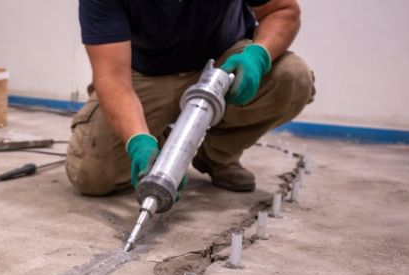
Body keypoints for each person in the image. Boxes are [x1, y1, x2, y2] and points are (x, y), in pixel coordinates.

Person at [67, 0, 315, 195]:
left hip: (221, 63)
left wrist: (257, 55)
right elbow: (112, 78)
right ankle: (158, 141)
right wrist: (138, 141)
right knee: (92, 176)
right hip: (145, 74)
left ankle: (216, 155)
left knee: (292, 78)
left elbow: (282, 10)